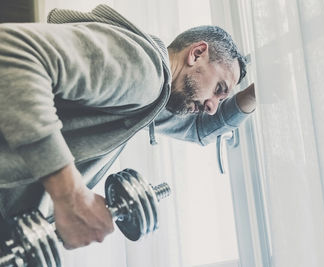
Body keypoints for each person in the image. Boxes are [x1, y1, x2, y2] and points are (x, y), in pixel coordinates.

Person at [0, 5, 255, 249]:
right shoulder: (144, 71)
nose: (213, 106)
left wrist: (258, 94)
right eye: (218, 89)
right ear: (197, 53)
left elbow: (199, 128)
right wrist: (70, 194)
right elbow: (12, 55)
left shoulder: (154, 95)